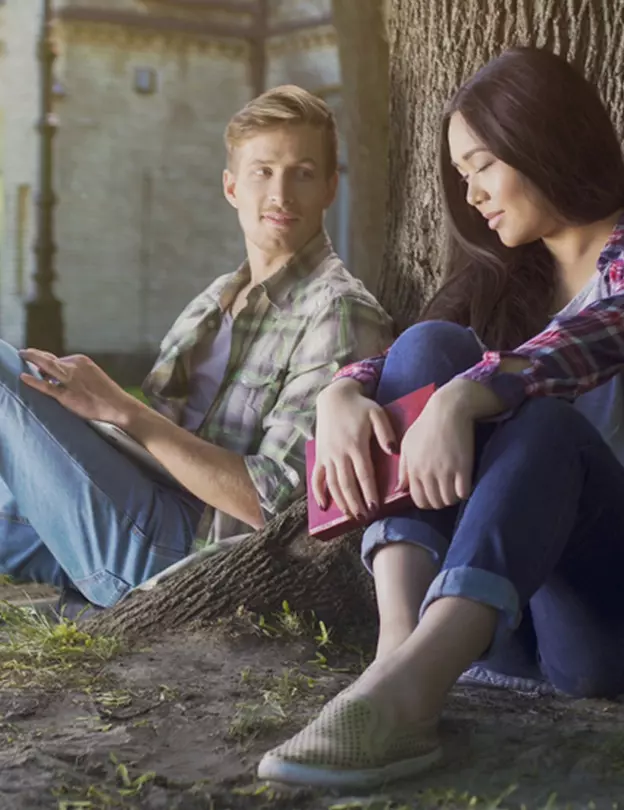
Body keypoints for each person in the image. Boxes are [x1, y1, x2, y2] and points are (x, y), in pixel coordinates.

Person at [257, 48, 624, 789]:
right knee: (428, 342)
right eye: (461, 175)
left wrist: (473, 392)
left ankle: (407, 691)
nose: (469, 194)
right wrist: (340, 394)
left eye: (481, 165)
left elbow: (604, 336)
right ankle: (399, 660)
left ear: (543, 141)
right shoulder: (495, 282)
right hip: (495, 621)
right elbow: (397, 364)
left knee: (545, 425)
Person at [0, 85, 392, 615]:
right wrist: (77, 416)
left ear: (329, 187)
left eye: (302, 172)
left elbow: (274, 506)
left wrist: (121, 407)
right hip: (142, 513)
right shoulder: (213, 303)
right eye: (262, 171)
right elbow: (151, 458)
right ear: (231, 187)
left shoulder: (339, 312)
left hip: (194, 563)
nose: (281, 194)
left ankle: (97, 597)